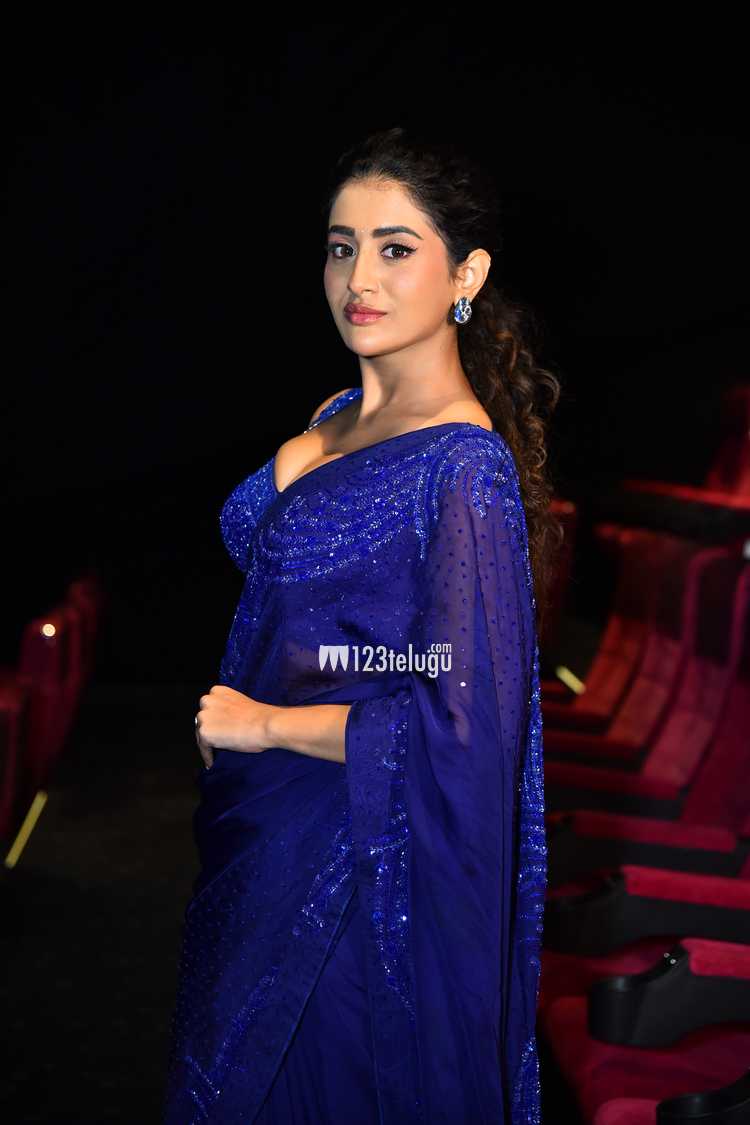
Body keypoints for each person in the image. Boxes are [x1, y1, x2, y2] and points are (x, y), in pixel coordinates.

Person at [163, 125, 562, 1124]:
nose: (360, 278)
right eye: (342, 247)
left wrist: (262, 723)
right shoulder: (340, 406)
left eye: (395, 248)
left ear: (466, 272)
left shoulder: (462, 469)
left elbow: (460, 728)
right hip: (263, 840)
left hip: (350, 877)